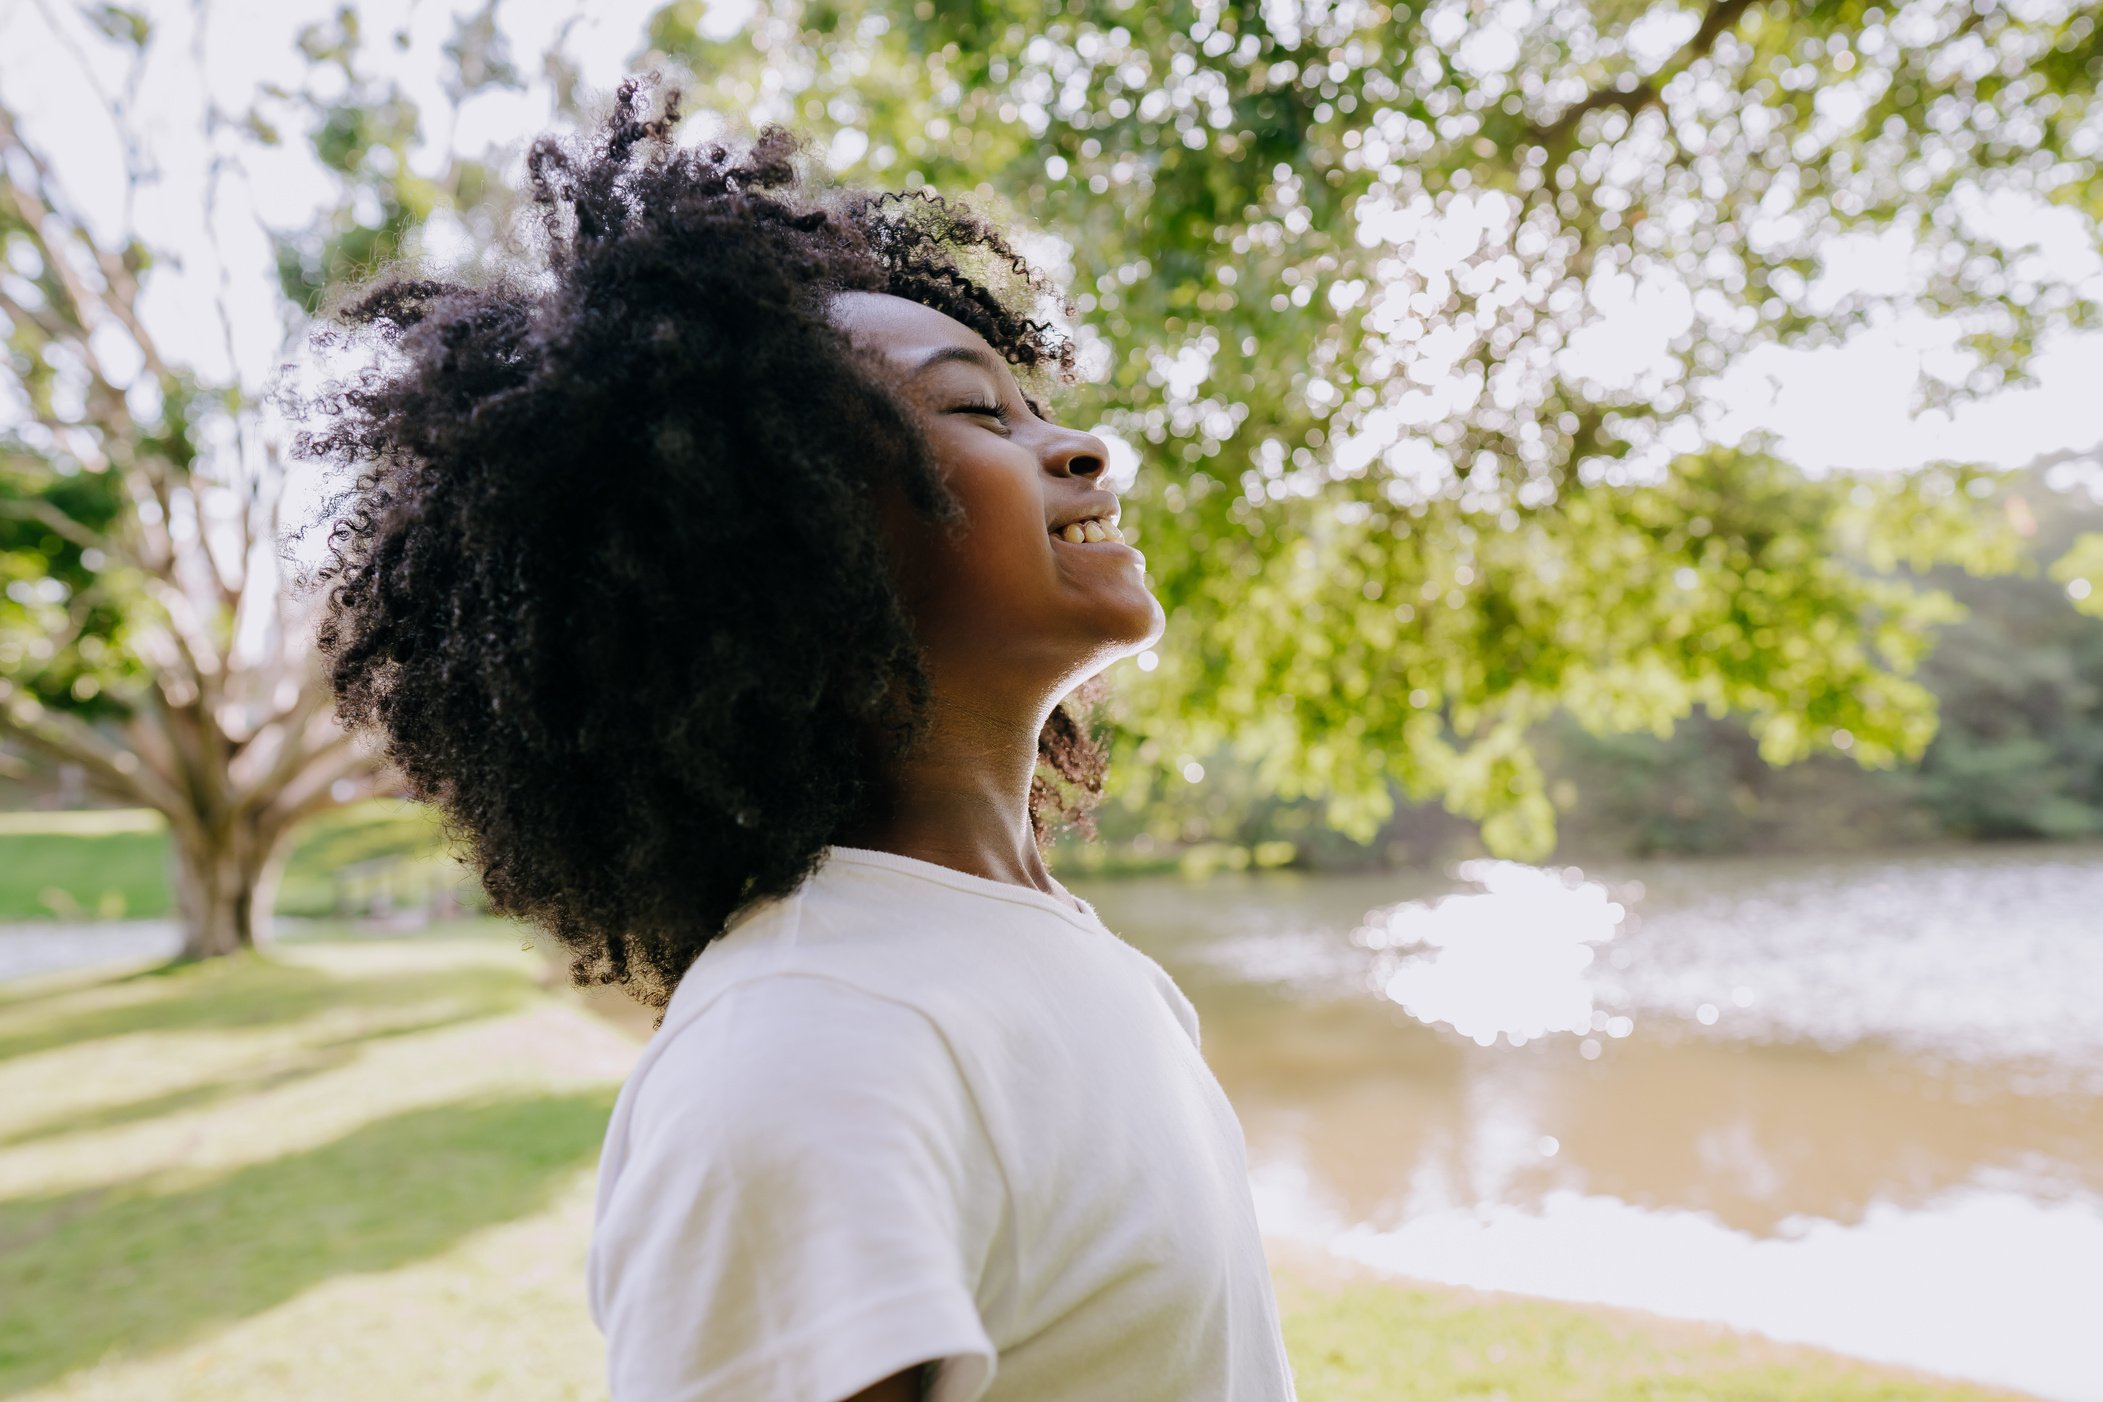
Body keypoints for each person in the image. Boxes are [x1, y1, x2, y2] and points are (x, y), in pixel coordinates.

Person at [301, 76, 1297, 1402]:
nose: (1087, 451)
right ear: (795, 539)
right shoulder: (816, 1043)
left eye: (1038, 404)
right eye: (980, 414)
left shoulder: (1041, 960)